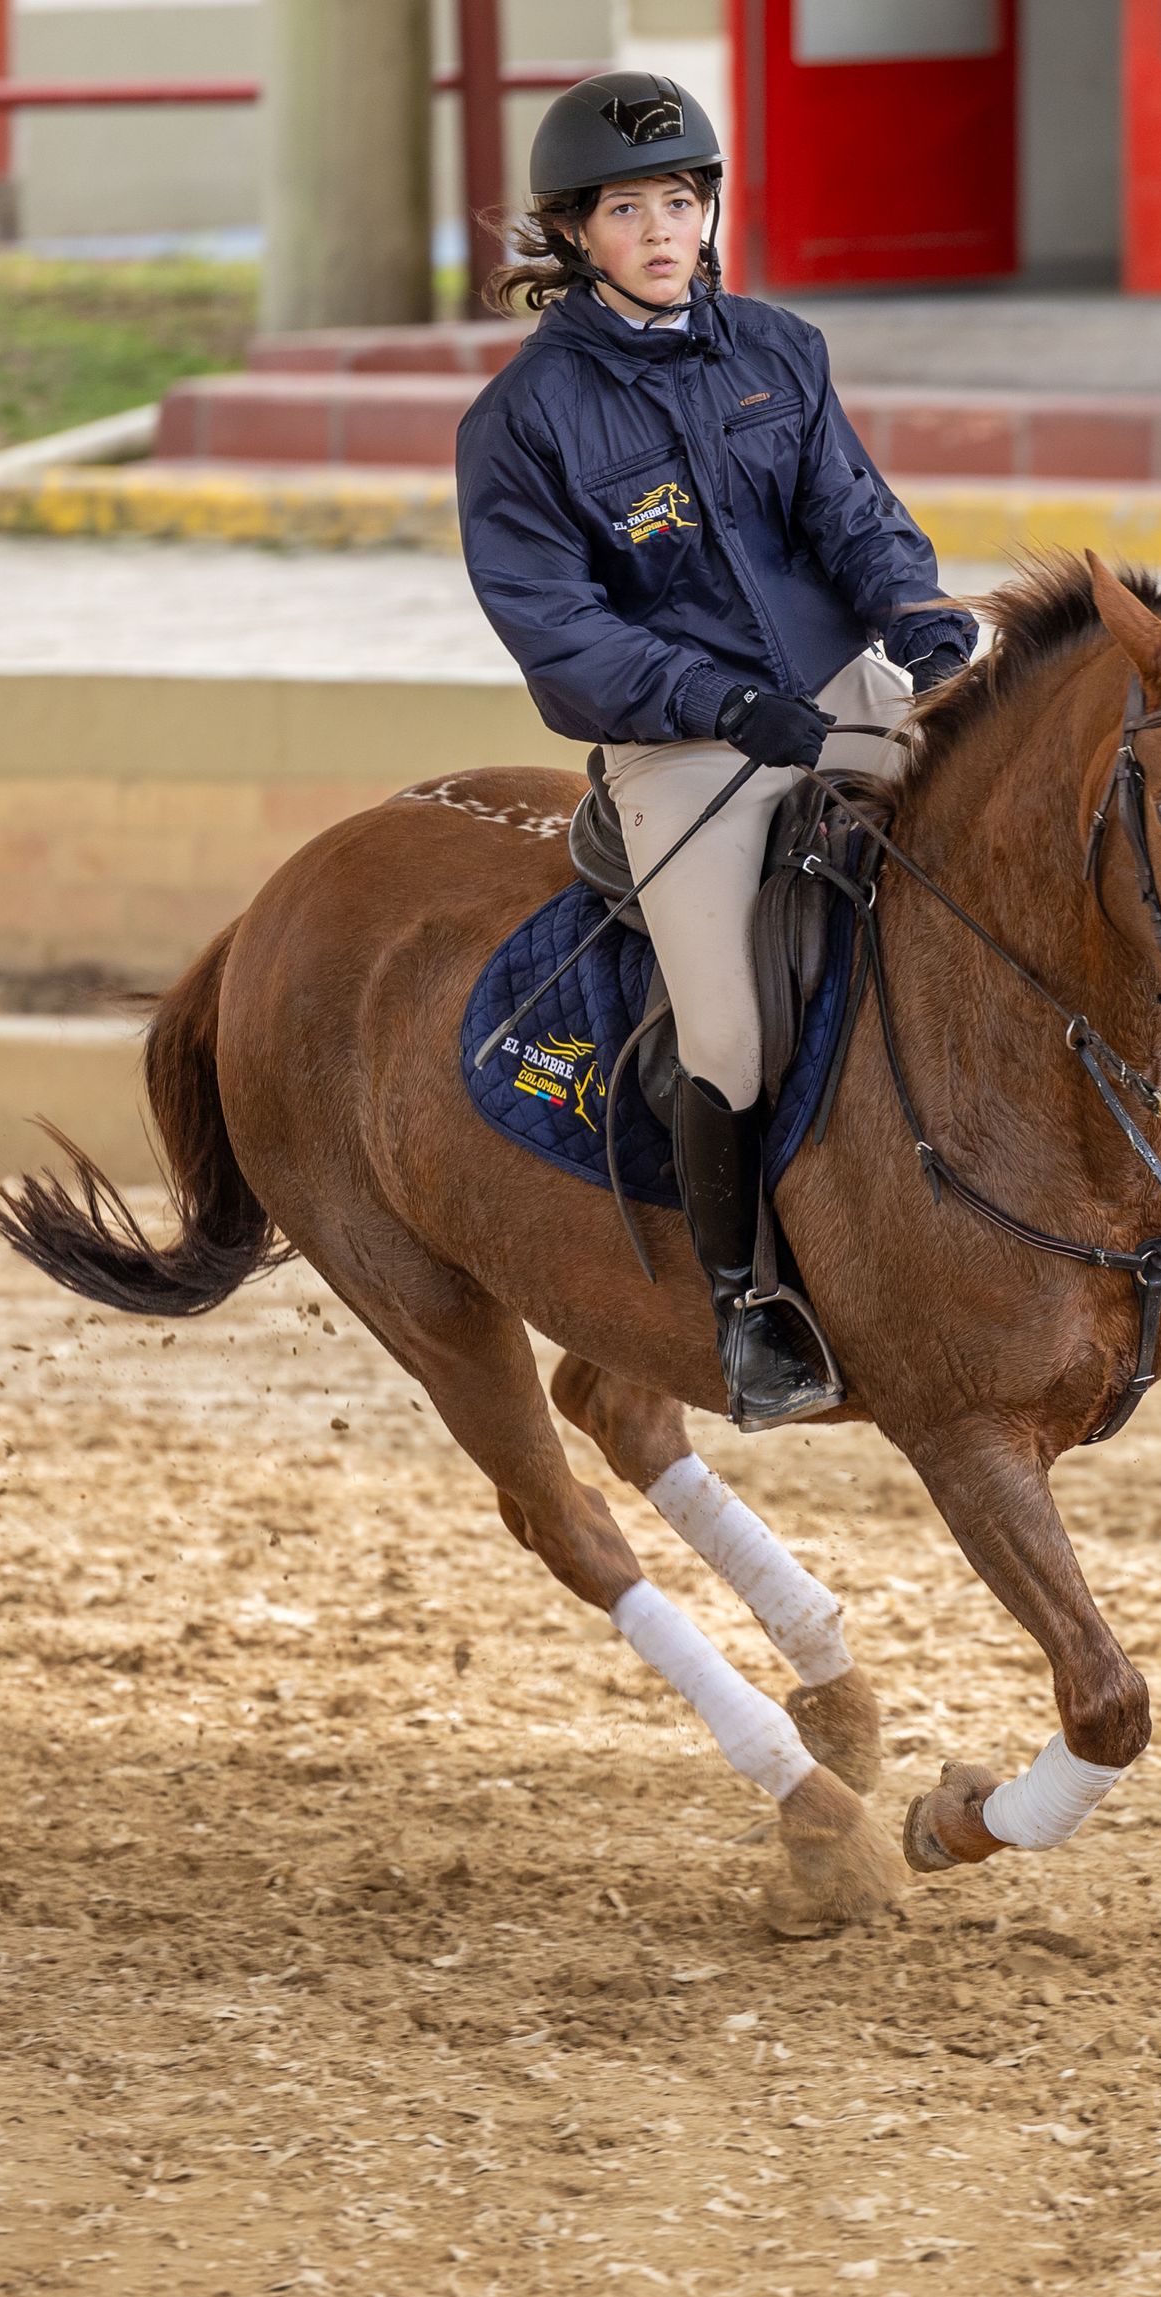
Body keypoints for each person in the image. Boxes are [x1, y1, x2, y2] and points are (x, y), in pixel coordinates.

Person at [457, 70, 977, 1433]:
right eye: (628, 209)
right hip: (683, 748)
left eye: (680, 201)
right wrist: (719, 703)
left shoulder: (779, 351)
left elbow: (853, 515)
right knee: (728, 1029)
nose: (662, 229)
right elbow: (559, 635)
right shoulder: (522, 422)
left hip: (834, 690)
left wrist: (914, 619)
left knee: (998, 861)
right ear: (573, 232)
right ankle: (747, 1305)